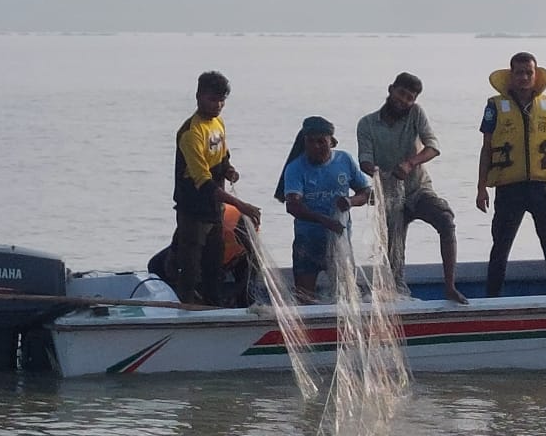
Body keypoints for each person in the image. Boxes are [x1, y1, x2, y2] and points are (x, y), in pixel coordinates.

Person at [476, 52, 546, 297]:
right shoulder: (495, 106)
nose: (524, 77)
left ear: (535, 76)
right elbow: (487, 148)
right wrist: (481, 187)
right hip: (509, 188)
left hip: (542, 189)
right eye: (519, 72)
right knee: (500, 249)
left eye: (528, 72)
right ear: (511, 75)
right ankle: (492, 300)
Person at [357, 72, 468, 303]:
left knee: (446, 220)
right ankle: (394, 293)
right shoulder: (367, 123)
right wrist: (377, 171)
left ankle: (450, 287)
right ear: (391, 90)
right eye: (401, 94)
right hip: (389, 194)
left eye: (410, 98)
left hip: (417, 189)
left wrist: (410, 163)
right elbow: (364, 159)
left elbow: (433, 147)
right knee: (393, 254)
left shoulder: (415, 114)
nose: (404, 101)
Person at [170, 71, 262, 305]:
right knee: (190, 264)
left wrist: (230, 170)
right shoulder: (191, 133)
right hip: (194, 210)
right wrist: (240, 205)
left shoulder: (218, 124)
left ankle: (213, 305)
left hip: (216, 209)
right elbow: (203, 182)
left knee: (214, 261)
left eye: (222, 100)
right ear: (199, 96)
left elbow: (222, 158)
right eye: (213, 99)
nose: (218, 105)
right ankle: (186, 305)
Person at [276, 116, 372, 304]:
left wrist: (350, 201)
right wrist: (323, 220)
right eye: (310, 141)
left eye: (321, 141)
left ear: (332, 142)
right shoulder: (295, 168)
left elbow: (365, 192)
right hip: (308, 242)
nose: (316, 147)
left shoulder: (344, 160)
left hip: (339, 243)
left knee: (346, 296)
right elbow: (293, 206)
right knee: (305, 300)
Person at [148, 202, 259, 307]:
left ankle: (240, 308)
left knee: (246, 290)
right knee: (156, 265)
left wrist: (238, 290)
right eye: (244, 237)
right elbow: (184, 230)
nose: (247, 239)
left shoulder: (251, 233)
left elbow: (254, 265)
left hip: (230, 259)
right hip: (195, 244)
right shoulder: (219, 221)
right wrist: (173, 252)